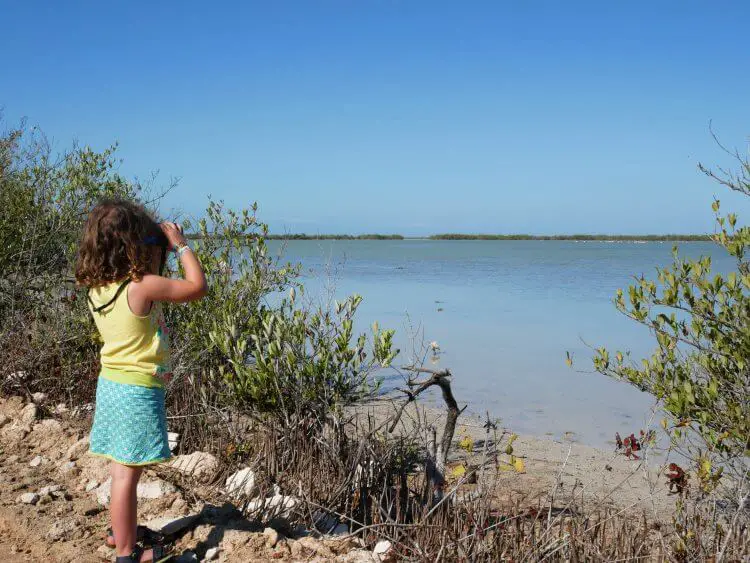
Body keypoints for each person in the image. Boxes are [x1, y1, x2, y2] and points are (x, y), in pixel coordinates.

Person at [75, 198, 207, 563]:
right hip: (136, 389)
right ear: (136, 247)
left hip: (112, 384)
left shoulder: (98, 288)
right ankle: (126, 552)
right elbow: (197, 286)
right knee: (126, 477)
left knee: (121, 468)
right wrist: (180, 246)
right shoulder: (141, 287)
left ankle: (120, 532)